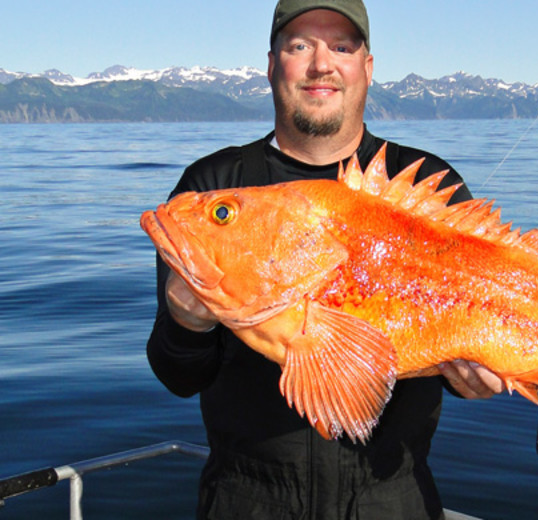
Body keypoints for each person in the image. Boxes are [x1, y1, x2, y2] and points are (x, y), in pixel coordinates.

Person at [146, 1, 504, 518]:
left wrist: (476, 379)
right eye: (299, 46)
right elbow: (178, 376)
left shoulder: (427, 185)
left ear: (368, 68)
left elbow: (473, 329)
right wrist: (185, 322)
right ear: (271, 65)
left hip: (394, 498)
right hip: (245, 501)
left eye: (341, 46)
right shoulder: (211, 188)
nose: (321, 64)